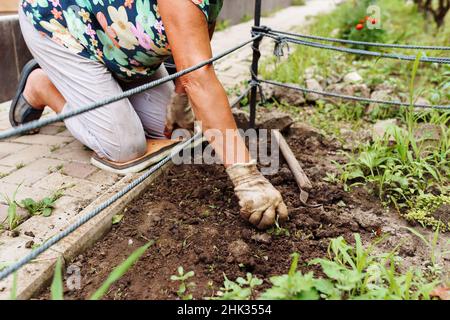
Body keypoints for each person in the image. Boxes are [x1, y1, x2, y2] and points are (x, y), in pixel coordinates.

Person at [10, 0, 288, 230]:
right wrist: (246, 176)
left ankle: (106, 90)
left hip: (124, 44)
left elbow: (197, 46)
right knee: (124, 147)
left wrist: (181, 97)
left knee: (171, 130)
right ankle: (42, 86)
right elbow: (199, 77)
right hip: (63, 25)